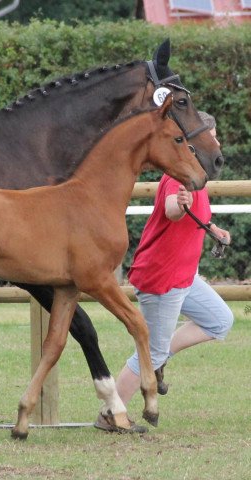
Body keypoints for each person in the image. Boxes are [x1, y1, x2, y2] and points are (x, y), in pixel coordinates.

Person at [95, 111, 234, 433]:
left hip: (185, 276)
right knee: (150, 351)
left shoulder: (197, 179)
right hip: (163, 277)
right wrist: (179, 205)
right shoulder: (177, 178)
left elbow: (193, 217)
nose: (218, 142)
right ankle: (109, 414)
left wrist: (213, 229)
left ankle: (160, 355)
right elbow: (173, 211)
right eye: (213, 137)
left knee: (220, 320)